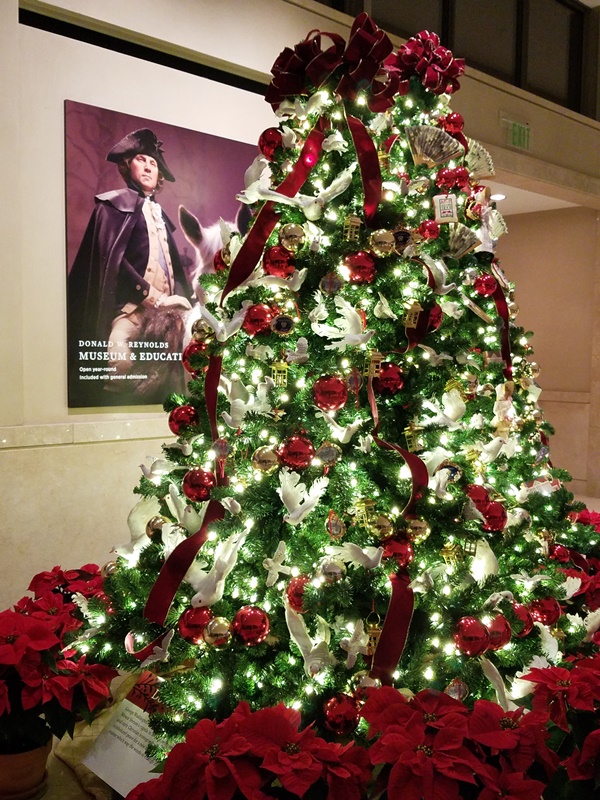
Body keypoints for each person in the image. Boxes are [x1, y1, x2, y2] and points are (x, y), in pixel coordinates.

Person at [67, 128, 193, 405]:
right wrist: (150, 295)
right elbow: (113, 259)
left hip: (167, 316)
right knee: (119, 366)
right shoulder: (113, 206)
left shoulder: (161, 215)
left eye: (154, 163)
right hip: (130, 311)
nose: (148, 167)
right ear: (127, 166)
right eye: (141, 159)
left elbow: (175, 270)